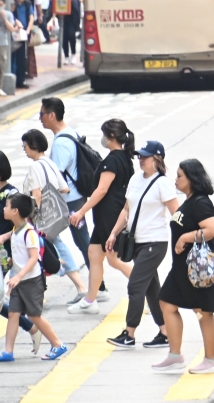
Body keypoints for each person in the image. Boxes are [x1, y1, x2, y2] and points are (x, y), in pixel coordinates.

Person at [104, 141, 177, 349]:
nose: (141, 160)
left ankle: (129, 333)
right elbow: (126, 210)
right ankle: (165, 332)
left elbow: (176, 213)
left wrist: (185, 238)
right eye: (139, 156)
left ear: (158, 159)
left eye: (145, 157)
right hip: (137, 241)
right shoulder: (136, 179)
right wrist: (113, 233)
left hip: (156, 241)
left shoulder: (162, 183)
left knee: (135, 285)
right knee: (152, 289)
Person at [154, 159, 214, 374]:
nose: (176, 179)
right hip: (181, 269)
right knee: (167, 302)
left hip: (197, 269)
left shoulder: (200, 202)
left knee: (203, 312)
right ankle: (175, 354)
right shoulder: (189, 201)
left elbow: (211, 230)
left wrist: (185, 237)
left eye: (180, 175)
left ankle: (211, 360)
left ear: (191, 179)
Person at [0, 193, 69, 363]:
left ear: (15, 211)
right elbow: (21, 256)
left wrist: (18, 276)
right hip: (19, 281)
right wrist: (10, 262)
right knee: (13, 314)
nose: (4, 208)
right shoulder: (15, 231)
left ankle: (57, 344)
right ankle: (8, 351)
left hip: (32, 282)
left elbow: (33, 258)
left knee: (34, 316)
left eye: (7, 206)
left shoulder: (29, 233)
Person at [67, 119, 136, 315]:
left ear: (111, 137)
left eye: (104, 134)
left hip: (109, 217)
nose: (103, 138)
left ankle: (146, 291)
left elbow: (102, 189)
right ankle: (90, 300)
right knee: (94, 255)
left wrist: (81, 211)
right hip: (108, 216)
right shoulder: (124, 157)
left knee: (115, 260)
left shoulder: (113, 160)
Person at [0, 151, 41, 359]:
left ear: (0, 169)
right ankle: (28, 326)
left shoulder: (11, 194)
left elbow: (23, 223)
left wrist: (3, 238)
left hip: (7, 254)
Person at [19, 130, 88, 298]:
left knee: (45, 248)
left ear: (34, 145)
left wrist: (31, 217)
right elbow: (64, 188)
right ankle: (76, 283)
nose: (24, 149)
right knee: (55, 245)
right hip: (54, 215)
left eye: (25, 145)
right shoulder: (49, 163)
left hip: (40, 217)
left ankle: (78, 285)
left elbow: (36, 195)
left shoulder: (36, 166)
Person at [44, 97, 94, 270]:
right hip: (76, 197)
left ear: (51, 115)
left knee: (81, 241)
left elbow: (56, 176)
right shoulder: (70, 133)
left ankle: (98, 286)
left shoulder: (61, 143)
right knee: (79, 240)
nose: (40, 118)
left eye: (42, 114)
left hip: (69, 200)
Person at [12, 0, 35, 88]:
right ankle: (13, 79)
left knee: (22, 58)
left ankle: (21, 80)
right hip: (14, 33)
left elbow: (31, 17)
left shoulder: (28, 3)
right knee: (13, 58)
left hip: (23, 35)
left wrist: (28, 30)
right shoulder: (13, 3)